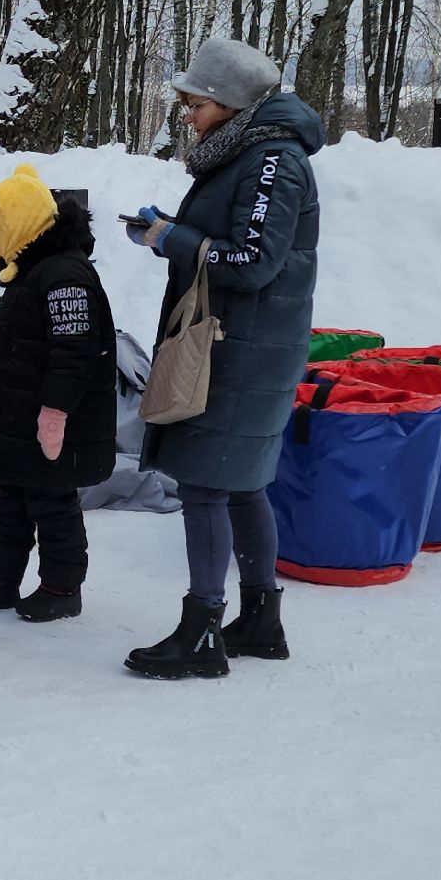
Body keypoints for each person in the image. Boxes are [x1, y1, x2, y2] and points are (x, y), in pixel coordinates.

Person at [121, 36, 321, 680]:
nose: (187, 114)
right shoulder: (248, 155)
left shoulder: (271, 162)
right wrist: (167, 229)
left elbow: (253, 262)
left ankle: (201, 632)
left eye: (196, 104)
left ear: (232, 104)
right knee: (241, 487)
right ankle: (261, 620)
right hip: (241, 343)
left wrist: (171, 239)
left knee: (208, 487)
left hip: (241, 350)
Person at [0, 166, 118, 622]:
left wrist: (55, 412)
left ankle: (62, 586)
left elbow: (75, 350)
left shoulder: (64, 275)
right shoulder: (32, 269)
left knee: (52, 502)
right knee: (9, 498)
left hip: (51, 420)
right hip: (18, 414)